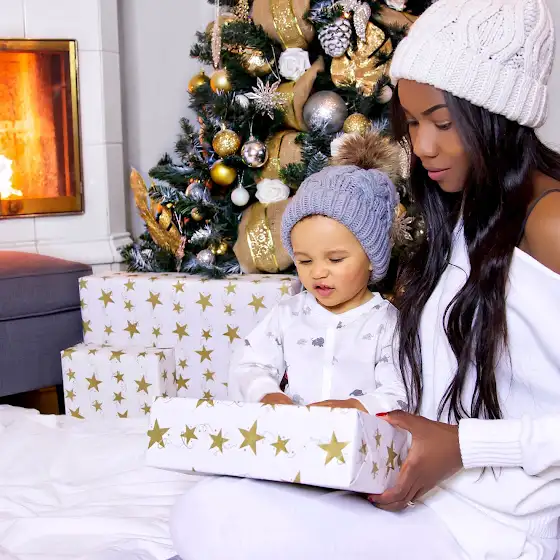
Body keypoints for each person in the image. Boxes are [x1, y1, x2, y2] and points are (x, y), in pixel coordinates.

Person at [170, 0, 560, 558]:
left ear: (498, 115)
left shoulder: (550, 222)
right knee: (207, 508)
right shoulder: (467, 213)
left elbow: (481, 427)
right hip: (419, 494)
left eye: (443, 123)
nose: (422, 147)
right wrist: (371, 423)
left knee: (222, 524)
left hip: (493, 529)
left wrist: (462, 446)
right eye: (413, 123)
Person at [228, 165, 404, 414]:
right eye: (305, 261)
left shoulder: (386, 323)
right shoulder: (289, 313)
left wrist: (355, 407)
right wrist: (266, 393)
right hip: (292, 434)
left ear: (371, 259)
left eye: (335, 259)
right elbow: (250, 363)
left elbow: (400, 392)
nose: (318, 272)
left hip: (355, 436)